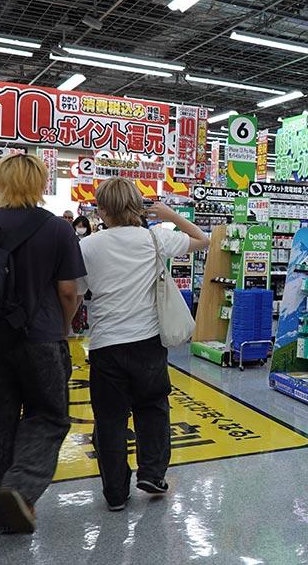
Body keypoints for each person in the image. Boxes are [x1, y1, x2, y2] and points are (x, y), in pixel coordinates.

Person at [0, 153, 84, 534]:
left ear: (1, 183)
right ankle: (21, 488)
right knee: (50, 415)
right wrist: (62, 326)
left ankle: (2, 517)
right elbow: (69, 291)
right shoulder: (58, 229)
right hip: (41, 338)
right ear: (42, 183)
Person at [75, 178, 208, 511]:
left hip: (106, 344)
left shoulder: (88, 246)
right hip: (148, 341)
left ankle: (115, 493)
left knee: (109, 420)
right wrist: (171, 214)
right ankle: (152, 472)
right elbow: (202, 240)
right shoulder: (155, 238)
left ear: (102, 209)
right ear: (137, 205)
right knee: (152, 409)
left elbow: (77, 293)